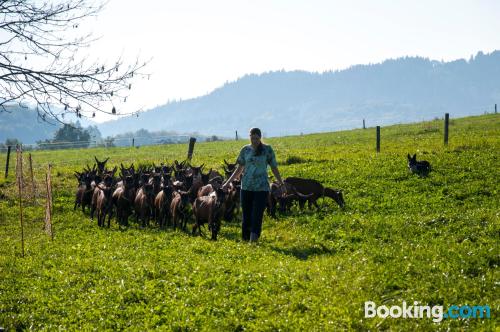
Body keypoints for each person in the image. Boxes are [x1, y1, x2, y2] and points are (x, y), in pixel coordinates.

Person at [222, 127, 284, 243]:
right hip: (246, 187)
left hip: (261, 188)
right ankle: (245, 239)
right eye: (252, 138)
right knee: (246, 214)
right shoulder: (245, 150)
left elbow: (274, 167)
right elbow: (239, 169)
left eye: (256, 138)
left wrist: (281, 183)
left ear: (260, 138)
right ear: (249, 137)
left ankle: (253, 239)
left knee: (257, 214)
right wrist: (227, 183)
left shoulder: (267, 150)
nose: (254, 140)